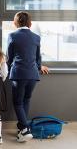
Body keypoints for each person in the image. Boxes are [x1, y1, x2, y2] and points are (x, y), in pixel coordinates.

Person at [6, 11, 49, 142]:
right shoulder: (36, 37)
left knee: (17, 102)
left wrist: (6, 71)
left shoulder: (12, 36)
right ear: (30, 23)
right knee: (26, 100)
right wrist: (39, 66)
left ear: (16, 22)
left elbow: (9, 58)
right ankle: (21, 129)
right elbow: (37, 58)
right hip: (33, 75)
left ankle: (25, 129)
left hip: (19, 74)